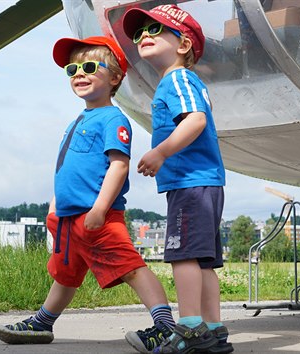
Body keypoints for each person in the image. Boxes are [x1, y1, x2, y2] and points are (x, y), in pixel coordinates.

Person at [0, 36, 176, 353]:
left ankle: (166, 327)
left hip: (97, 217)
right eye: (72, 68)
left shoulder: (113, 119)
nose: (79, 72)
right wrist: (55, 206)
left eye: (90, 66)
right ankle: (42, 322)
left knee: (131, 269)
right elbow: (68, 168)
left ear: (116, 77)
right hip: (67, 218)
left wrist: (100, 209)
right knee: (65, 275)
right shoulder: (78, 119)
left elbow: (118, 166)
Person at [121, 4, 233, 354]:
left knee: (183, 256)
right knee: (203, 261)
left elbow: (196, 121)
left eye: (153, 30)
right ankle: (213, 329)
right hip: (203, 183)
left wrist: (161, 152)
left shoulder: (177, 79)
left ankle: (189, 327)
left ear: (183, 45)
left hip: (190, 182)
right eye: (138, 34)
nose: (142, 38)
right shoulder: (183, 81)